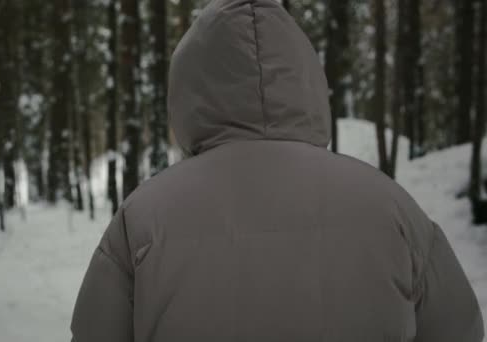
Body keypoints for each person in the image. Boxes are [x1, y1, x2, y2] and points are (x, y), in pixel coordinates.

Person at [70, 0, 484, 341]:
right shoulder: (393, 209)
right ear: (307, 80)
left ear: (188, 89)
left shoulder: (143, 218)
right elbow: (458, 330)